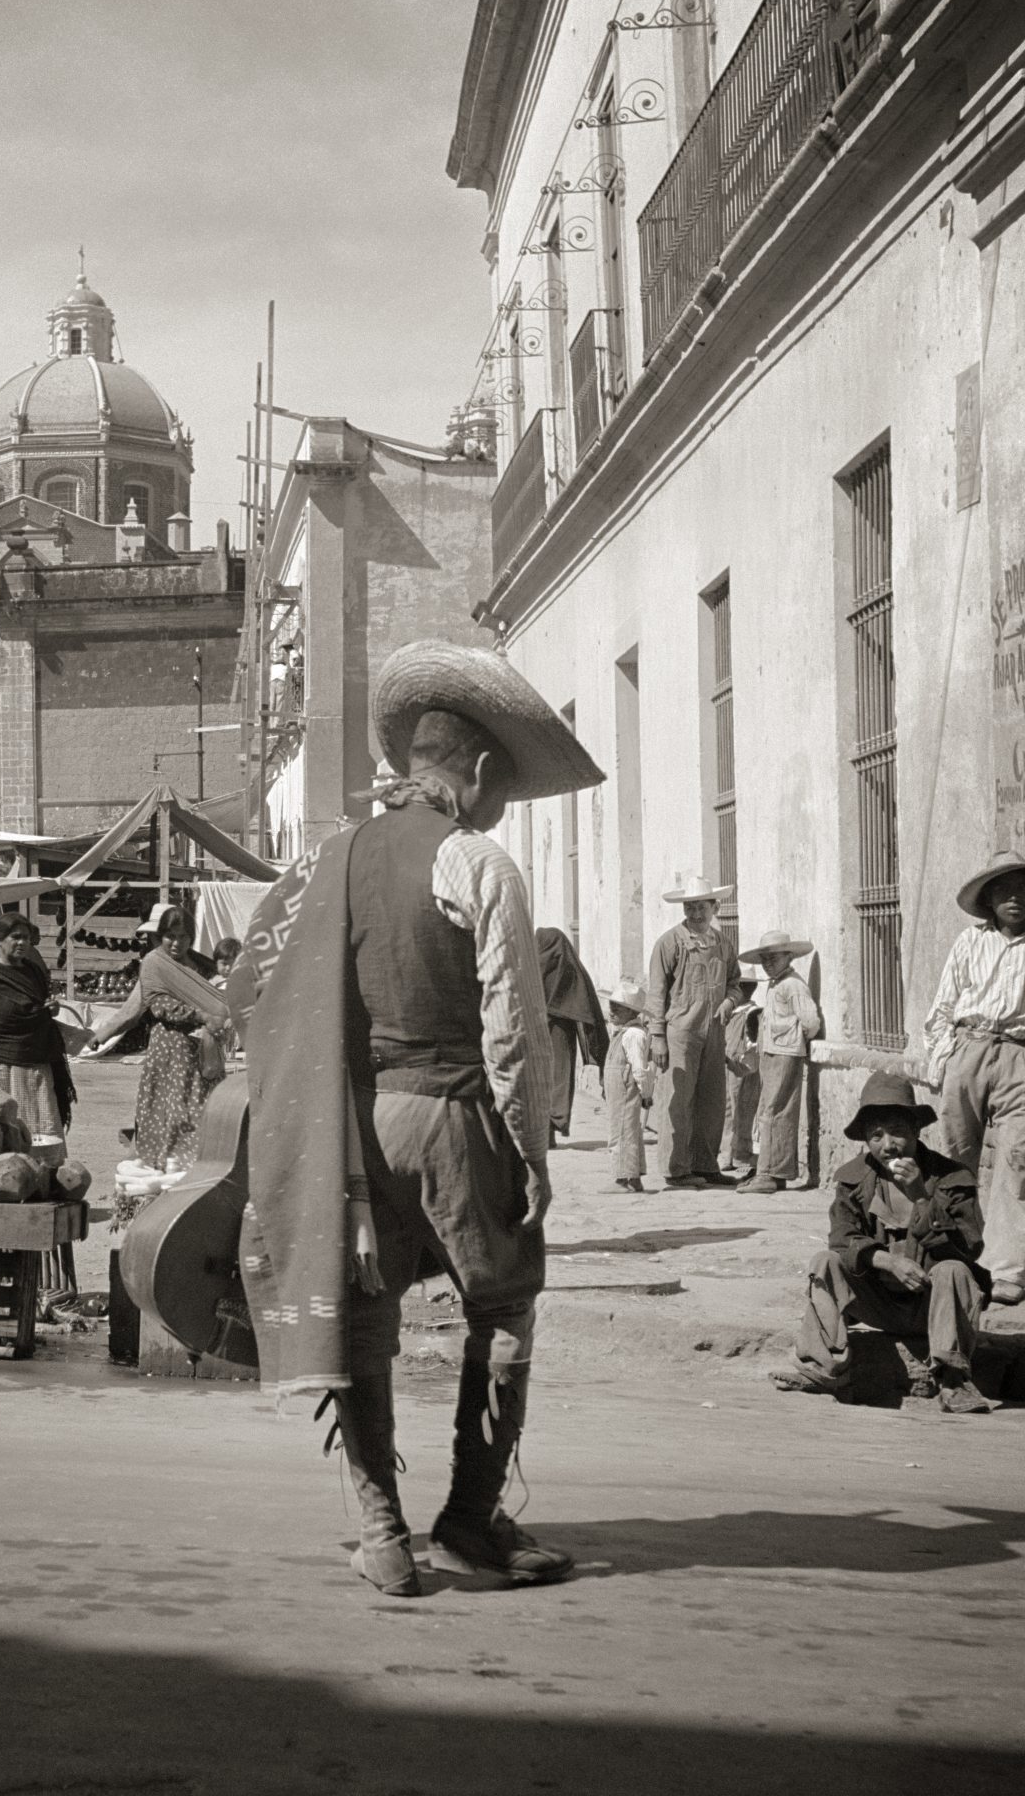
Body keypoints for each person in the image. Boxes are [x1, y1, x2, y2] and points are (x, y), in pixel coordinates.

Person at [228, 637, 604, 1596]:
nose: (502, 807)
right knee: (505, 1305)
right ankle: (471, 1520)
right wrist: (531, 1162)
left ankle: (382, 1530)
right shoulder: (479, 864)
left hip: (350, 1129)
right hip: (453, 1117)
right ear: (478, 773)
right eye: (505, 791)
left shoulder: (325, 863)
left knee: (363, 1324)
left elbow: (257, 993)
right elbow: (513, 1035)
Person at [772, 1073, 991, 1414]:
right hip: (878, 1303)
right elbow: (842, 1240)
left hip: (935, 1307)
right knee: (824, 1261)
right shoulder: (853, 1178)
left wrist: (921, 1199)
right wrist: (889, 1262)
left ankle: (953, 1379)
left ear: (917, 1131)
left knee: (953, 1270)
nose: (888, 1145)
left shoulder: (953, 1178)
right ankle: (823, 1369)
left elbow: (969, 1249)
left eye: (897, 1132)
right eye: (876, 1135)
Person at [925, 850, 1025, 1307]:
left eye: (1023, 891)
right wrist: (942, 1061)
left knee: (1017, 1163)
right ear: (989, 900)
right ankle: (958, 1259)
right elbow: (944, 1006)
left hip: (1019, 1058)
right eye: (1004, 892)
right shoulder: (969, 942)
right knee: (955, 1161)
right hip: (968, 1050)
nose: (1015, 900)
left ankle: (1005, 1270)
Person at [90, 904, 228, 1198]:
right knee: (170, 1112)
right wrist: (101, 1036)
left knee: (201, 1111)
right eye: (170, 936)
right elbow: (150, 1006)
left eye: (183, 937)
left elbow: (222, 999)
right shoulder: (154, 965)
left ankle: (197, 1175)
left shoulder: (201, 966)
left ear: (192, 937)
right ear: (159, 937)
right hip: (170, 1051)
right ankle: (163, 1176)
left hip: (203, 1051)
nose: (176, 943)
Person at [646, 874, 742, 1188]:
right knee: (678, 1100)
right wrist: (657, 1036)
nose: (696, 914)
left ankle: (706, 1164)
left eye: (701, 907)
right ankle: (676, 1169)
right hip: (680, 1032)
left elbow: (735, 984)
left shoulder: (722, 943)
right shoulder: (670, 943)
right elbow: (656, 993)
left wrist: (730, 1000)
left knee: (712, 1101)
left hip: (714, 1031)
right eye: (690, 907)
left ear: (714, 907)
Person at [0, 914, 75, 1144]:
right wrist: (26, 1014)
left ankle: (42, 1175)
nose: (22, 943)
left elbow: (35, 1007)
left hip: (35, 1064)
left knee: (39, 1134)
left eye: (27, 938)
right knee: (4, 1131)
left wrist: (48, 1009)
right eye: (15, 937)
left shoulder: (33, 971)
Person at [735, 930, 821, 1195]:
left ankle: (771, 1173)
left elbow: (811, 1022)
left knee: (776, 1110)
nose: (768, 963)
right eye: (764, 958)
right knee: (770, 1109)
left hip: (786, 1053)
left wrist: (794, 1041)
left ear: (789, 956)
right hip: (772, 1052)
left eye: (774, 957)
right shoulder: (776, 984)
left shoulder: (793, 985)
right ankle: (771, 1170)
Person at [535, 926, 608, 1145]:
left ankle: (544, 1131)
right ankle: (549, 1128)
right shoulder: (569, 965)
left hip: (542, 1030)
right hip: (560, 1032)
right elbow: (588, 1005)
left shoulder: (532, 965)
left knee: (542, 1079)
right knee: (558, 1078)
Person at [602, 976, 654, 1192]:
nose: (612, 1011)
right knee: (628, 1133)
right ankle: (634, 1178)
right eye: (611, 1006)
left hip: (626, 1092)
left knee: (622, 1134)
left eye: (619, 1008)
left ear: (633, 1012)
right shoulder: (621, 1032)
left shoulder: (634, 1035)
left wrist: (645, 1093)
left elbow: (640, 1068)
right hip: (617, 1093)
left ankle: (623, 1179)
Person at [720, 972, 761, 1176]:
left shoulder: (752, 1014)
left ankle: (740, 1152)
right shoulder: (732, 1013)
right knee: (727, 1110)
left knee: (742, 1110)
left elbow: (753, 1047)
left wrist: (744, 1067)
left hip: (742, 1071)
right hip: (727, 1068)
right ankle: (726, 1154)